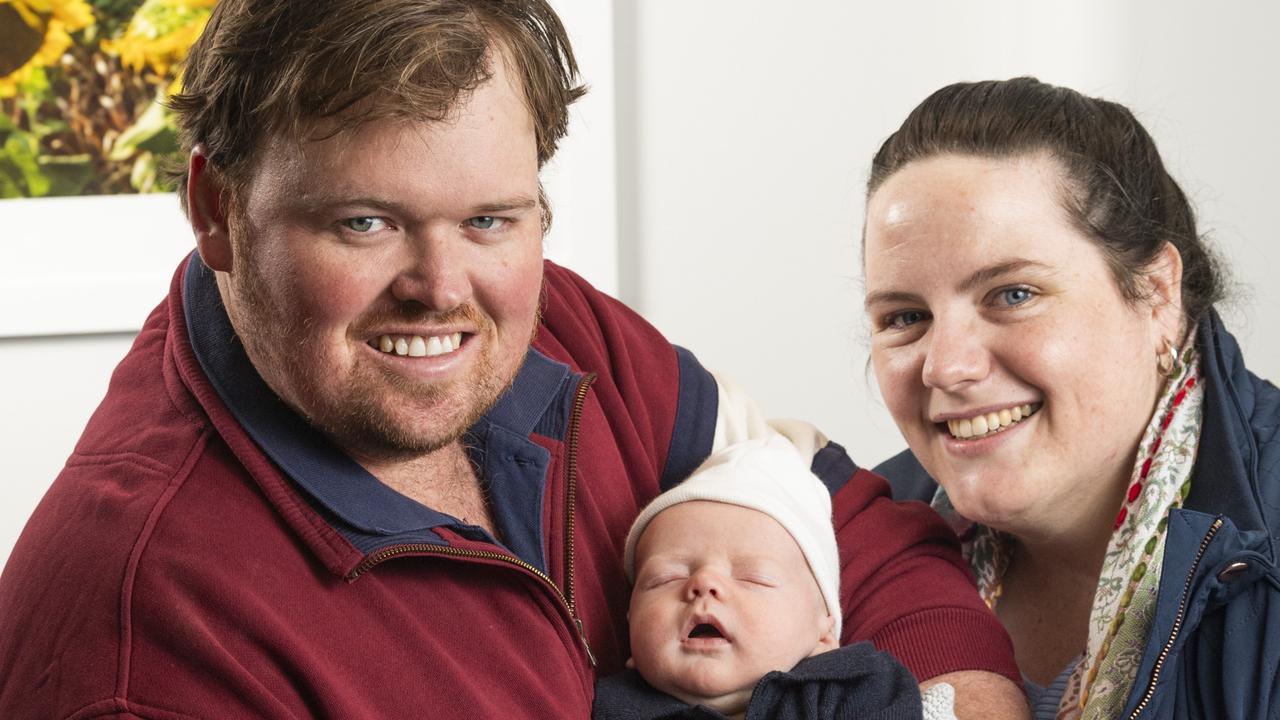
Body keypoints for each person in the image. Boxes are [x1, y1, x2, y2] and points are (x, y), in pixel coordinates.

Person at [0, 2, 1024, 718]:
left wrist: (958, 700)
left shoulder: (549, 330)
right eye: (364, 223)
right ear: (217, 209)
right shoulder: (144, 637)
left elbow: (841, 520)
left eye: (490, 218)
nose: (443, 288)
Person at [862, 76, 1280, 720]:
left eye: (1013, 294)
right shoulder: (843, 548)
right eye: (904, 317)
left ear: (1157, 294)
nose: (947, 366)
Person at [592, 437, 932, 720]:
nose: (705, 583)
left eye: (754, 578)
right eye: (665, 578)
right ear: (630, 626)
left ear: (824, 632)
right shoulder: (608, 707)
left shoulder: (852, 686)